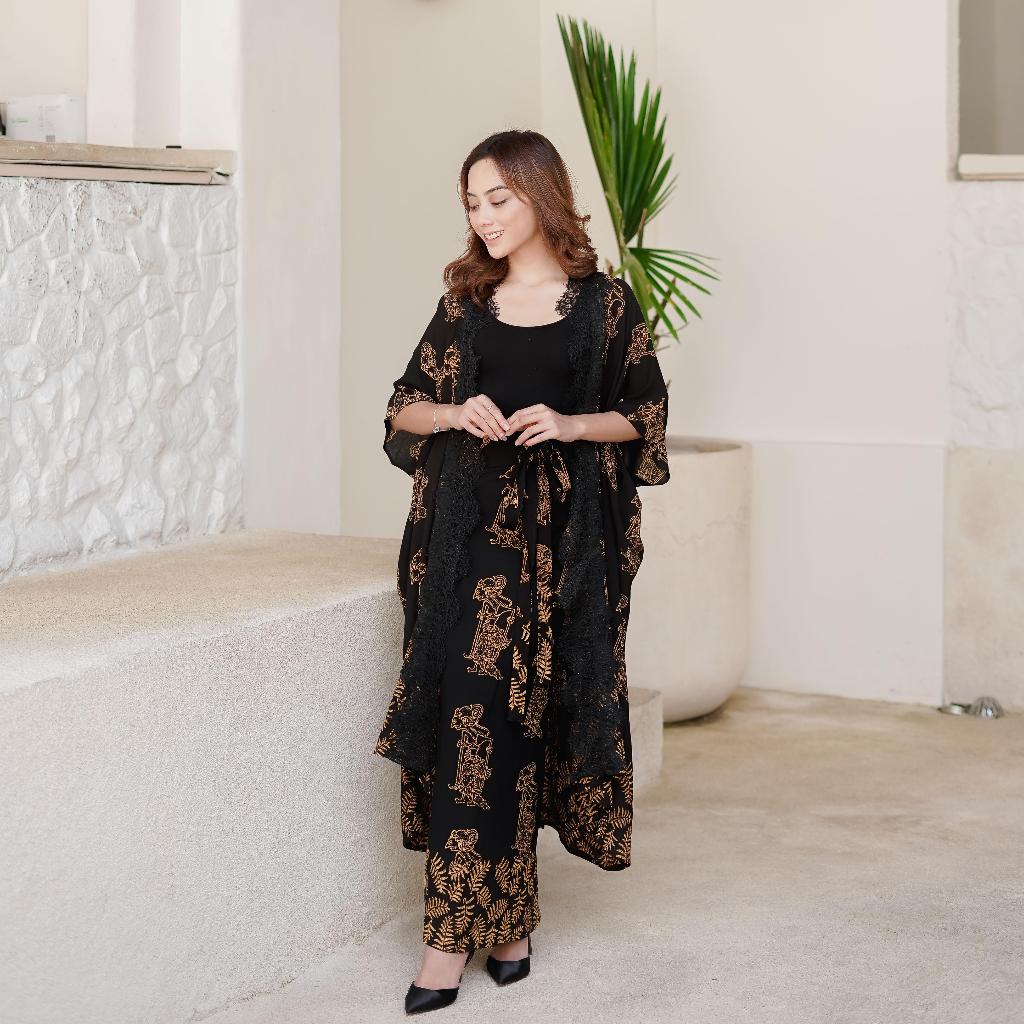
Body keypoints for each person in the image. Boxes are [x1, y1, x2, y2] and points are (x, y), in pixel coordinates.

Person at [373, 129, 670, 1015]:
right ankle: (446, 941)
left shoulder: (604, 304)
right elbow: (402, 407)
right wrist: (454, 411)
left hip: (566, 557)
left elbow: (646, 414)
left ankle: (509, 926)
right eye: (472, 202)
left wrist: (571, 425)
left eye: (498, 198)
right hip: (468, 552)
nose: (484, 217)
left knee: (533, 728)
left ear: (542, 195)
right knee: (476, 728)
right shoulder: (466, 303)